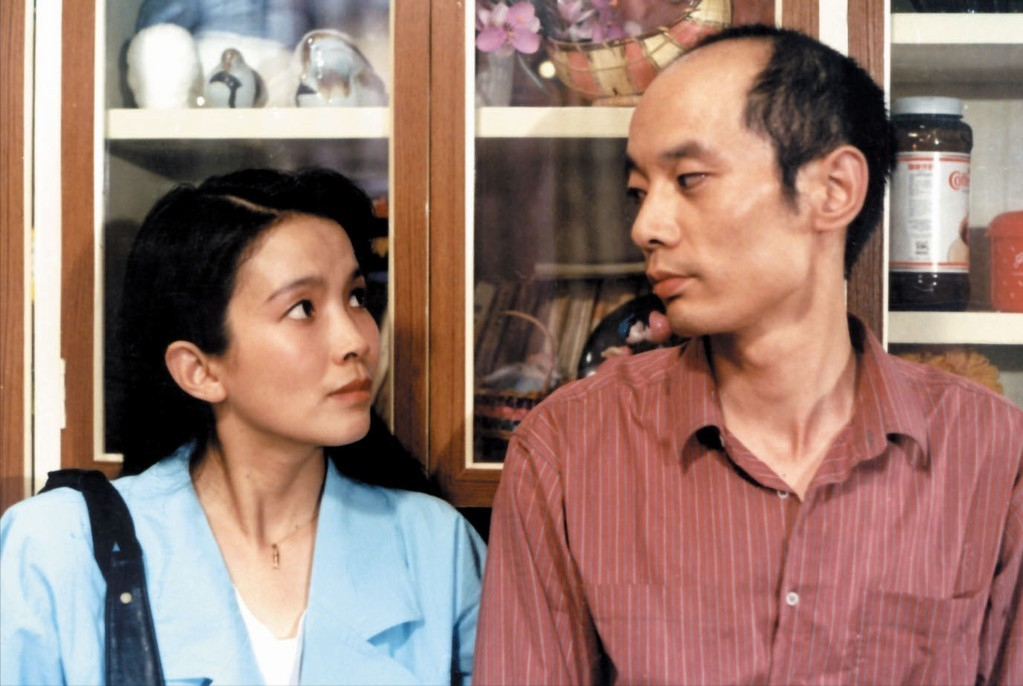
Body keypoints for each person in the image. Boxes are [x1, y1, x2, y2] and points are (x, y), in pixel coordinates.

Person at [473, 24, 1022, 686]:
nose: (646, 227)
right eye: (639, 191)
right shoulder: (568, 450)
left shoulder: (992, 456)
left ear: (834, 189)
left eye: (690, 179)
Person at [1, 168, 485, 685]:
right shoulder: (56, 549)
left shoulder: (437, 547)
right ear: (199, 370)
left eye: (356, 297)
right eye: (303, 308)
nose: (356, 341)